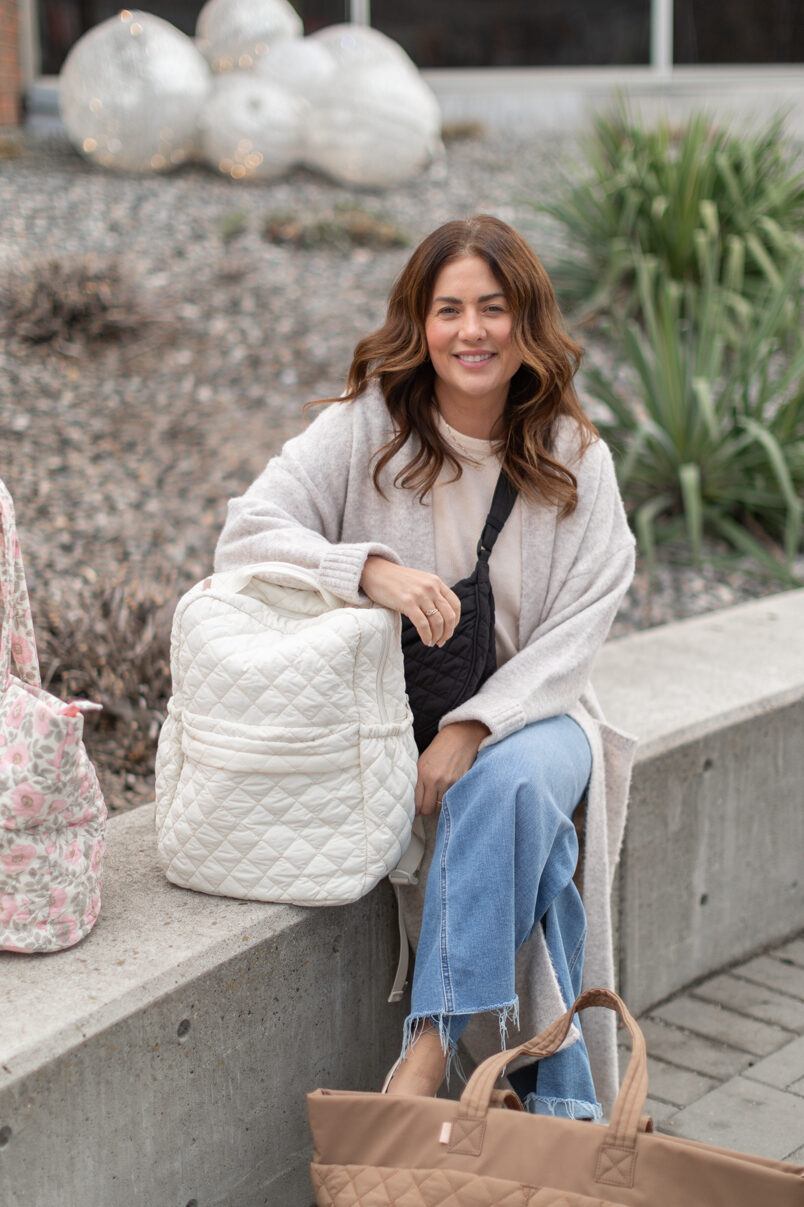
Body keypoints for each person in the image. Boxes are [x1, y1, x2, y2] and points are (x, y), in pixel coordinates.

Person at [214, 214, 636, 1119]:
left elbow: (580, 628)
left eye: (494, 307)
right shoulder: (369, 426)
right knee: (544, 848)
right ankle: (562, 1114)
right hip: (389, 723)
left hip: (540, 716)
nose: (471, 331)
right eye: (449, 309)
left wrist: (474, 725)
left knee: (509, 782)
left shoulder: (574, 457)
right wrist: (368, 568)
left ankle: (431, 1046)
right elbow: (245, 533)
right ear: (419, 321)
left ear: (528, 323)